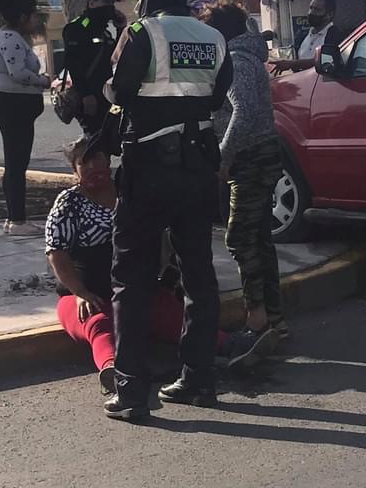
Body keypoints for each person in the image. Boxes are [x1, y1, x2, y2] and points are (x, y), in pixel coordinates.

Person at [101, 0, 232, 423]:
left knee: (131, 275)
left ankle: (132, 391)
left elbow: (119, 89)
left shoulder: (142, 32)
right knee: (198, 272)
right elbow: (217, 98)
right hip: (198, 166)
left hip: (150, 167)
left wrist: (110, 89)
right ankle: (199, 379)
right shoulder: (212, 37)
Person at [46, 138, 236, 395]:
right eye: (84, 162)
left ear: (108, 159)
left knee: (172, 315)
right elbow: (56, 253)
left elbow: (159, 234)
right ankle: (114, 371)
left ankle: (232, 347)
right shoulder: (68, 203)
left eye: (97, 158)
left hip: (134, 289)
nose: (93, 167)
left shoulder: (128, 192)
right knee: (97, 323)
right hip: (87, 295)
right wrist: (79, 292)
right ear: (74, 170)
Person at [204, 2, 287, 359]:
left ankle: (257, 319)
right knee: (259, 238)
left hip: (251, 158)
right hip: (261, 154)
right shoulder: (247, 56)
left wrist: (223, 156)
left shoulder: (236, 61)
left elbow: (245, 112)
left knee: (239, 238)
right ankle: (273, 317)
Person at [0, 0, 50, 236]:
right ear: (22, 16)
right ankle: (17, 220)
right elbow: (18, 73)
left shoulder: (11, 37)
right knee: (16, 162)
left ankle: (14, 217)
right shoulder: (10, 37)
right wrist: (42, 81)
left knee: (15, 162)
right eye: (33, 15)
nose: (36, 20)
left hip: (13, 104)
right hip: (12, 104)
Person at [62, 0, 124, 134]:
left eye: (112, 3)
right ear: (92, 3)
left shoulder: (106, 32)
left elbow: (117, 56)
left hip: (108, 96)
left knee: (109, 142)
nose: (111, 7)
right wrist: (85, 95)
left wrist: (121, 28)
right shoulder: (77, 28)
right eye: (106, 2)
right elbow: (74, 64)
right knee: (94, 145)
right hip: (90, 97)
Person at [272, 0, 343, 74]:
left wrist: (292, 64)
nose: (311, 13)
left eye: (317, 9)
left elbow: (325, 61)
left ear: (329, 14)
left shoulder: (335, 35)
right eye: (311, 8)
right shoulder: (302, 35)